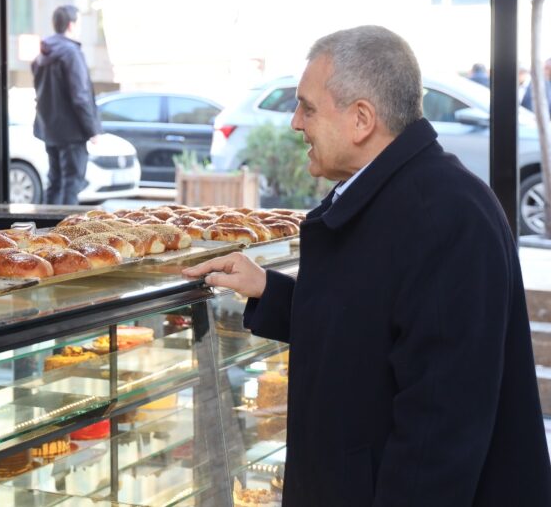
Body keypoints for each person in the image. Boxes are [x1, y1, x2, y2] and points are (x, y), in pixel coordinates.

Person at [184, 25, 551, 505]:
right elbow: (373, 325)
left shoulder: (443, 216)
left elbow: (438, 431)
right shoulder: (392, 195)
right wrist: (269, 291)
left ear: (361, 119)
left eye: (308, 107)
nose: (296, 122)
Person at [32, 4, 102, 205]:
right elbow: (80, 96)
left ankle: (48, 233)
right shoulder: (71, 53)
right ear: (71, 25)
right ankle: (65, 234)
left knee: (55, 182)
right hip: (72, 133)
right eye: (79, 22)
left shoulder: (42, 54)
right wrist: (92, 129)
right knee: (71, 184)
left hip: (50, 131)